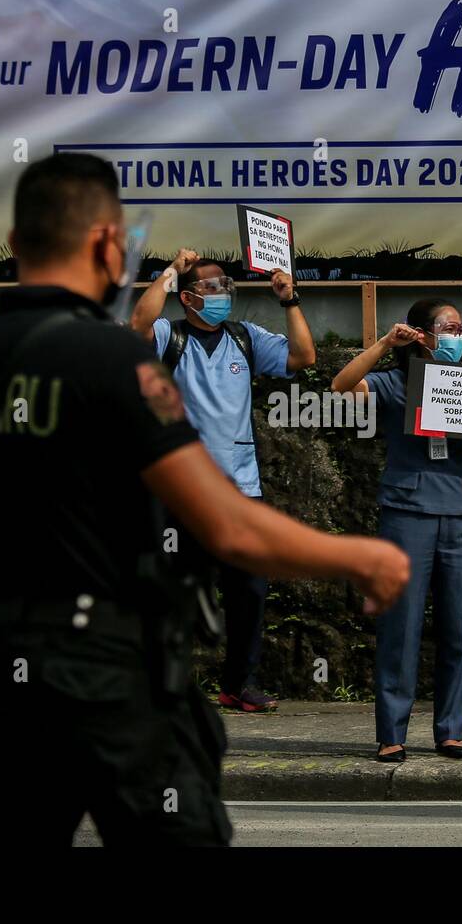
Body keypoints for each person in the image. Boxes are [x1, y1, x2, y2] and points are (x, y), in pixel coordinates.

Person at [0, 152, 408, 847]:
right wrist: (359, 554)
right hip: (112, 678)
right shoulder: (115, 361)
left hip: (5, 681)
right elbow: (230, 528)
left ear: (13, 244)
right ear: (107, 243)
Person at [331, 300, 462, 761]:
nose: (456, 334)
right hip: (407, 511)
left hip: (460, 511)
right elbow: (341, 386)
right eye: (447, 327)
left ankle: (450, 730)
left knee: (458, 626)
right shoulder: (397, 383)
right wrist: (383, 343)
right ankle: (391, 733)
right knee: (402, 625)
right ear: (422, 333)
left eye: (461, 327)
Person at [129, 248, 316, 712]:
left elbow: (303, 356)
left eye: (227, 287)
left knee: (249, 592)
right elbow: (138, 322)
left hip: (240, 492)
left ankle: (238, 685)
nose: (223, 294)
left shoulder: (244, 338)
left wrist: (289, 301)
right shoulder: (169, 339)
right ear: (189, 297)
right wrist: (171, 269)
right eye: (212, 288)